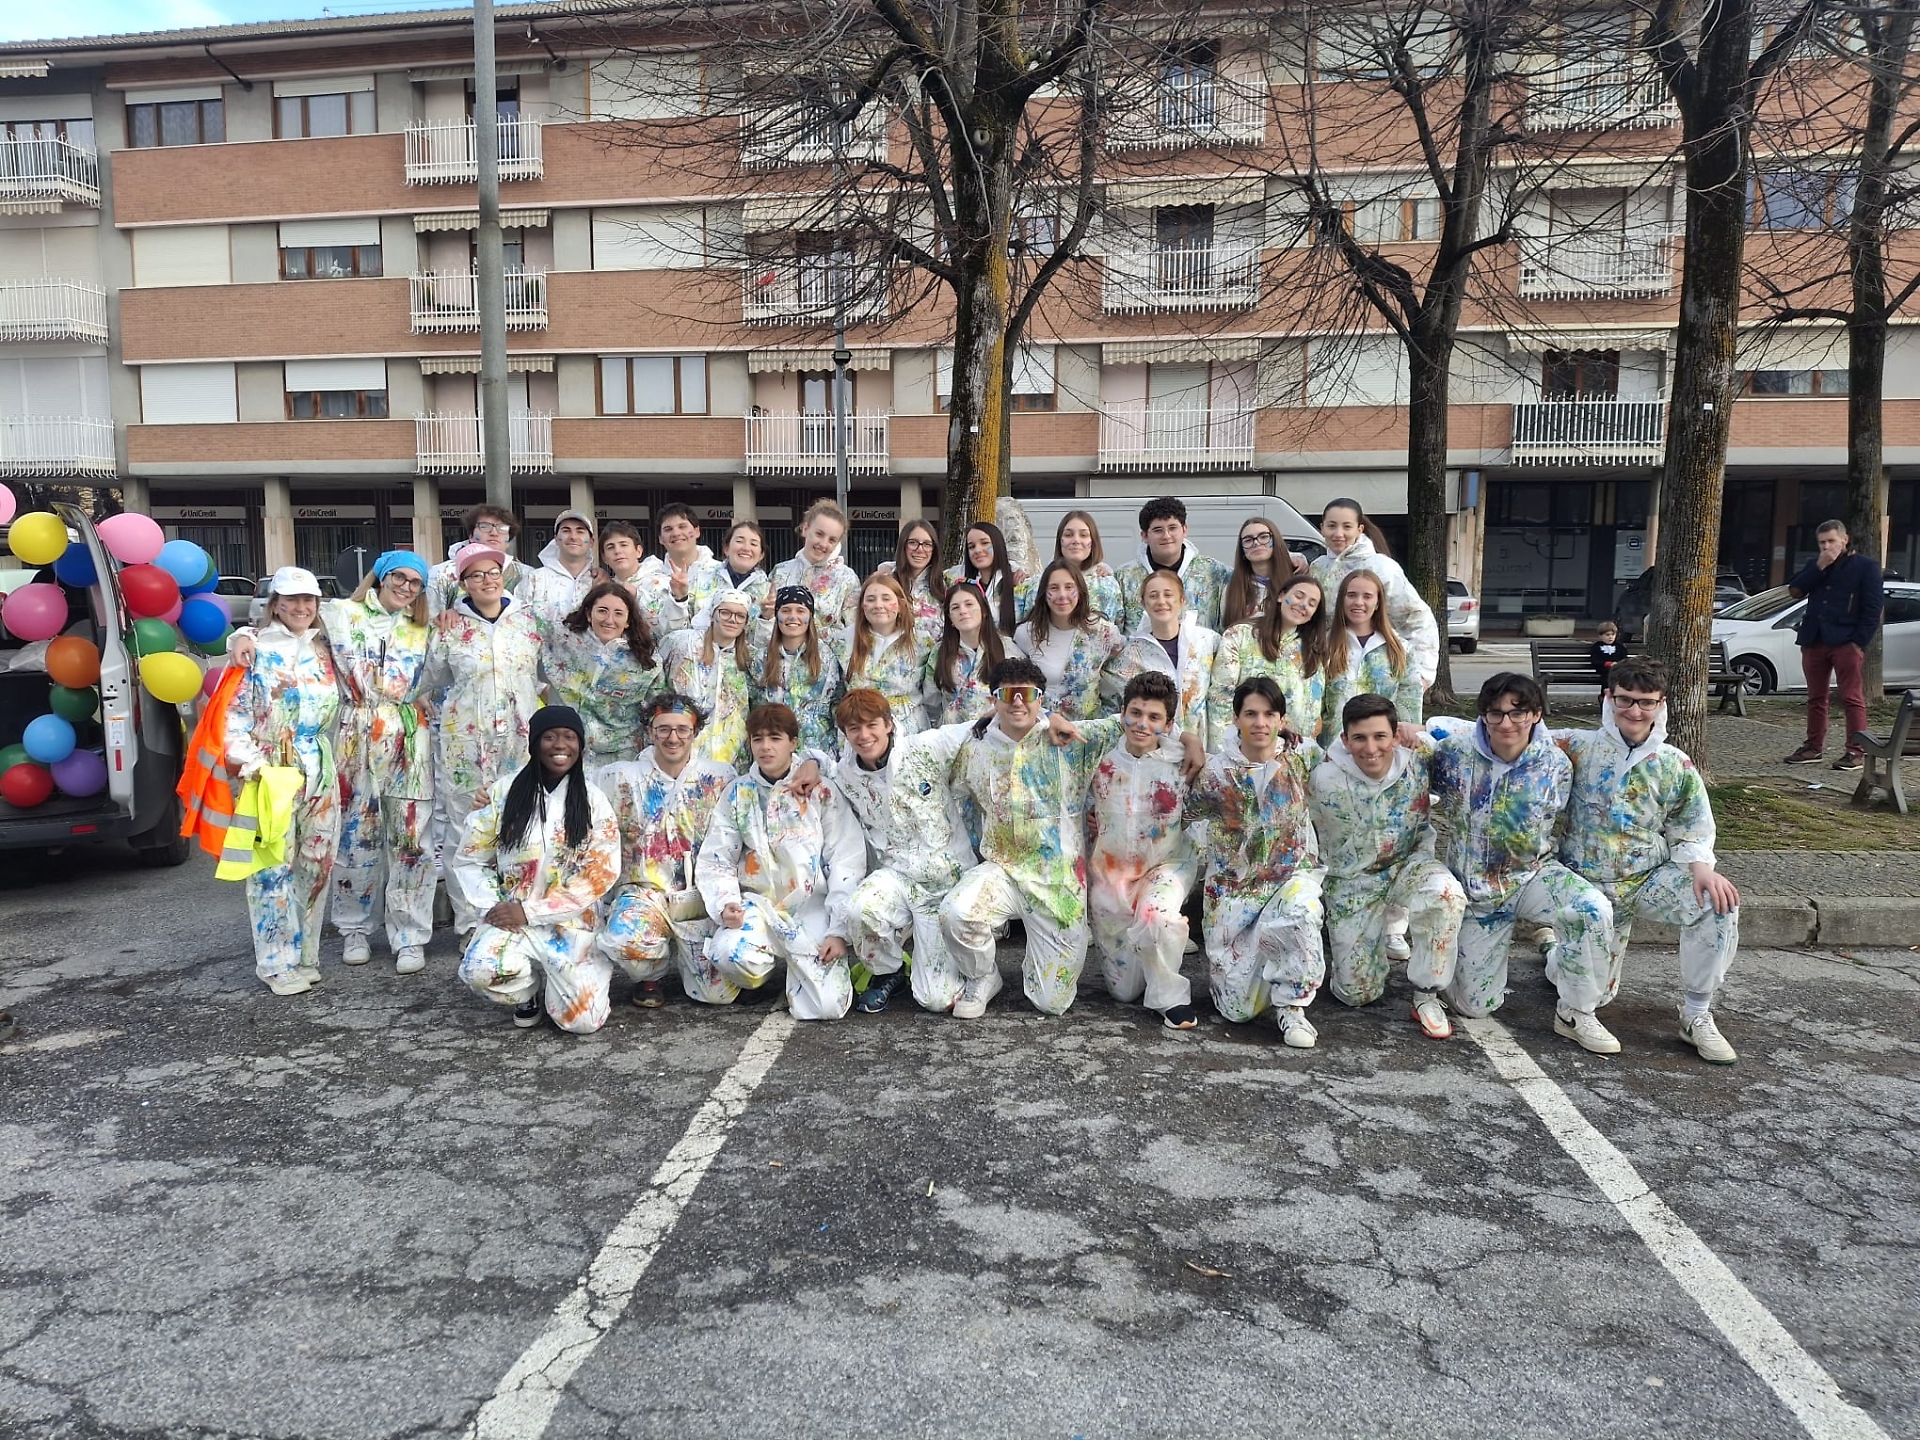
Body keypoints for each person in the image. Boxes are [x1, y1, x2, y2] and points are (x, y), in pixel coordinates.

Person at [940, 658, 1201, 1018]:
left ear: (1041, 698)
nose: (1018, 701)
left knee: (1055, 1001)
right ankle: (982, 977)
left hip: (1066, 883)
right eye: (1008, 694)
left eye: (1028, 694)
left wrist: (1191, 739)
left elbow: (1147, 724)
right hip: (1014, 870)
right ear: (994, 698)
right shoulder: (978, 747)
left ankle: (1166, 986)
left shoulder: (1079, 740)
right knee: (956, 912)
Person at [1553, 658, 1741, 1063]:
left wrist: (1702, 869)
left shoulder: (1674, 763)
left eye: (1646, 702)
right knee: (1599, 992)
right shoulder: (1577, 746)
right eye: (1625, 700)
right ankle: (1568, 995)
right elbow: (1510, 732)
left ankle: (1696, 1014)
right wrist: (1420, 730)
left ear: (1661, 704)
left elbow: (1693, 825)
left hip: (1645, 879)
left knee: (1716, 902)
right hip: (1585, 883)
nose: (1635, 711)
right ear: (1609, 698)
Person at [1425, 673, 1619, 1053]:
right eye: (1495, 714)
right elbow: (1427, 742)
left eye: (1518, 713)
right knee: (1473, 1006)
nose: (1506, 723)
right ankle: (1530, 952)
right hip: (1478, 893)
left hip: (1533, 876)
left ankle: (1576, 1011)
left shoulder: (1556, 765)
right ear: (1483, 716)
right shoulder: (1454, 755)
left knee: (1592, 908)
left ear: (1536, 714)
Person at [452, 705, 622, 1033]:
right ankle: (526, 989)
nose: (560, 745)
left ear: (580, 745)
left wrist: (532, 912)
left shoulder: (594, 801)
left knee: (582, 1022)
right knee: (481, 969)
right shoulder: (504, 792)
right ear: (534, 743)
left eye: (569, 737)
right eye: (550, 737)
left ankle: (575, 979)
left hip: (571, 922)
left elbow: (600, 873)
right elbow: (470, 859)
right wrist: (497, 907)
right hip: (513, 917)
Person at [693, 703, 867, 1017]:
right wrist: (725, 902)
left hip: (813, 909)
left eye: (775, 738)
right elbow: (717, 857)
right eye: (757, 739)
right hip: (760, 907)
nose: (766, 747)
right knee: (727, 952)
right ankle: (759, 976)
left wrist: (838, 930)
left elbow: (846, 859)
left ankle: (806, 970)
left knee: (826, 1007)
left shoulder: (820, 792)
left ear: (793, 742)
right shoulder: (738, 793)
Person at [1307, 694, 1465, 1038]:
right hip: (1353, 880)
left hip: (1409, 864)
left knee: (1446, 895)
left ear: (1395, 735)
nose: (1371, 748)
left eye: (1380, 736)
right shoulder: (1321, 776)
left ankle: (1427, 994)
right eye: (1359, 738)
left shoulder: (1420, 760)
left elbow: (1475, 736)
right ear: (1344, 739)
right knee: (1355, 994)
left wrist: (1423, 728)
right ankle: (1363, 954)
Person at [1184, 676, 1326, 1048]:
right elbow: (1181, 817)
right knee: (1236, 1011)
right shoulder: (1216, 773)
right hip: (1233, 893)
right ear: (1236, 719)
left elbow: (1350, 760)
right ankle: (1264, 959)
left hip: (1289, 878)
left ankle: (1292, 1006)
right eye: (1251, 714)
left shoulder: (1303, 757)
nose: (1260, 723)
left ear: (1281, 719)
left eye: (1269, 714)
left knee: (1303, 911)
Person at [224, 566, 341, 996]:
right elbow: (232, 715)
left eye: (308, 599)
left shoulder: (325, 648)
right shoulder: (254, 650)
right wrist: (253, 765)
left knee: (316, 864)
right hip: (271, 768)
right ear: (275, 604)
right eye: (291, 600)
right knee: (271, 868)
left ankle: (305, 954)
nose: (300, 607)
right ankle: (276, 962)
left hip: (319, 768)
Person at [420, 546, 546, 938]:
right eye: (476, 575)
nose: (487, 580)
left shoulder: (529, 620)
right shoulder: (449, 626)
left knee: (524, 821)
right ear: (463, 583)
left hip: (521, 741)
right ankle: (472, 922)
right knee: (467, 828)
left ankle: (519, 912)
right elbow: (427, 679)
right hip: (466, 744)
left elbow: (550, 672)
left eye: (493, 572)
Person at [826, 687, 977, 1014]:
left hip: (945, 884)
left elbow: (982, 727)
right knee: (860, 909)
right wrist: (810, 764)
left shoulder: (925, 749)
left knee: (936, 1000)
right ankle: (888, 971)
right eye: (854, 728)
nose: (864, 736)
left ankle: (959, 962)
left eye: (872, 725)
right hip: (898, 878)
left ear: (889, 724)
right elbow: (812, 766)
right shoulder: (846, 775)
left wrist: (1045, 720)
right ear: (845, 734)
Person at [323, 552, 439, 972]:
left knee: (412, 841)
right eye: (399, 577)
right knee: (356, 837)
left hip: (408, 739)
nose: (406, 587)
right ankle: (354, 929)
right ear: (381, 576)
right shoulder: (341, 614)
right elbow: (285, 628)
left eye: (415, 582)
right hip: (355, 735)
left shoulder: (423, 627)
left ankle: (409, 935)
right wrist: (240, 639)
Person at [595, 693, 740, 1008]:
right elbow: (573, 793)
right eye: (663, 729)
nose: (673, 738)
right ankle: (650, 975)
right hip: (644, 893)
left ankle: (691, 959)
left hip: (701, 896)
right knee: (625, 941)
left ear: (695, 731)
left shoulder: (721, 776)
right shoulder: (619, 777)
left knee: (717, 995)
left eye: (682, 729)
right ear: (650, 731)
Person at [1085, 672, 1201, 1029]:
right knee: (1124, 992)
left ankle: (1171, 998)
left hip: (1165, 866)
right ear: (1122, 713)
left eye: (1154, 717)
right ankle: (1146, 962)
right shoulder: (1100, 755)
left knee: (1157, 917)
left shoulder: (1183, 761)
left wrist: (1191, 738)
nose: (1142, 724)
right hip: (1111, 876)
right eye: (1135, 713)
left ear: (1168, 724)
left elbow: (1236, 762)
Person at [1784, 518, 1885, 770]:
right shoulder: (1816, 565)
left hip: (1846, 641)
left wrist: (1858, 641)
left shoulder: (1865, 567)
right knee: (1816, 697)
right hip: (1814, 639)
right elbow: (1795, 590)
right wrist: (1820, 565)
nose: (1827, 546)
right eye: (1822, 542)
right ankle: (1813, 747)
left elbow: (1873, 608)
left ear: (1844, 540)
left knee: (1851, 697)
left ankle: (1856, 751)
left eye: (1831, 541)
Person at [1310, 498, 1441, 691]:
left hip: (1377, 669)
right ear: (1322, 528)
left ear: (1359, 529)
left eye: (1347, 526)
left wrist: (1422, 674)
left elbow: (1416, 617)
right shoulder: (1317, 567)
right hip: (1331, 668)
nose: (1338, 533)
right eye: (1332, 526)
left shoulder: (1381, 567)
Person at [541, 581, 662, 775]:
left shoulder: (646, 659)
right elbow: (526, 667)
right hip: (567, 750)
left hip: (622, 756)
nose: (609, 620)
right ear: (589, 614)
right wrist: (543, 691)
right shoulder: (561, 642)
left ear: (628, 620)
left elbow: (656, 707)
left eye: (618, 613)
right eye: (602, 611)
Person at [1207, 572, 1329, 746]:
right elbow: (1220, 698)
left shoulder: (1314, 651)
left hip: (1292, 753)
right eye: (1299, 596)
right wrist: (1224, 750)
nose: (1303, 605)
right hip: (1244, 749)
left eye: (1312, 603)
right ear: (1281, 596)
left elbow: (1312, 713)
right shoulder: (1240, 635)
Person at [1106, 567, 1219, 751]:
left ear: (1182, 600)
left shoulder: (1207, 641)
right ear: (1143, 603)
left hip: (1204, 750)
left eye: (1168, 594)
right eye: (1153, 596)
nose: (1161, 601)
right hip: (1156, 754)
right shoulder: (1131, 654)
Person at [1013, 558, 1125, 720]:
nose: (1062, 595)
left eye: (1069, 587)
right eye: (1054, 588)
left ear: (1080, 590)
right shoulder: (1026, 634)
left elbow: (1120, 672)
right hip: (1042, 726)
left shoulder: (1103, 632)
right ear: (1044, 593)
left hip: (1087, 729)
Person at [1320, 569, 1423, 744]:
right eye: (1351, 595)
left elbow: (1409, 701)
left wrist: (1405, 741)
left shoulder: (1400, 649)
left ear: (1377, 603)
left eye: (1367, 596)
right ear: (1342, 600)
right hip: (1334, 747)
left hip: (1380, 748)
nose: (1358, 602)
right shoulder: (1324, 646)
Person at [657, 589, 755, 768]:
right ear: (712, 613)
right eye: (725, 612)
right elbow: (656, 672)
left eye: (740, 616)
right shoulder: (684, 643)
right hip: (682, 749)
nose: (732, 619)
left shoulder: (749, 658)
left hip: (732, 757)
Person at [1115, 497, 1233, 633]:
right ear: (1145, 536)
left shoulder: (1215, 572)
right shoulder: (1124, 577)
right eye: (1158, 530)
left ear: (1184, 530)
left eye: (1172, 528)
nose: (1166, 536)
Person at [752, 584, 844, 754]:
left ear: (810, 616)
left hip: (819, 751)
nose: (793, 617)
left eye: (800, 611)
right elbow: (755, 708)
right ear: (777, 615)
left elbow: (837, 707)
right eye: (786, 610)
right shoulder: (760, 659)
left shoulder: (829, 657)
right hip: (774, 752)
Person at [835, 572, 922, 739]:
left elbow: (933, 695)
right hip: (860, 733)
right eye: (870, 599)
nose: (878, 605)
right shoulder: (843, 641)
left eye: (886, 598)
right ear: (862, 606)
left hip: (907, 733)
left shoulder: (922, 642)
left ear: (900, 604)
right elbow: (836, 692)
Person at [922, 580, 1013, 725]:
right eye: (955, 607)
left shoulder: (1007, 648)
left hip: (995, 730)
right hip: (952, 733)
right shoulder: (939, 653)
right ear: (950, 618)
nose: (963, 611)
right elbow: (931, 702)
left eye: (969, 604)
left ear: (984, 611)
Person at [1016, 511, 1124, 626]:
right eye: (1068, 535)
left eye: (1083, 535)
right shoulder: (1035, 585)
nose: (1076, 541)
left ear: (1093, 541)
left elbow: (1118, 627)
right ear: (1059, 541)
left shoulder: (1108, 586)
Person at [770, 498, 861, 634]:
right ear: (805, 529)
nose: (823, 544)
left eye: (832, 540)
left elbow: (855, 629)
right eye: (819, 534)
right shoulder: (780, 571)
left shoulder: (847, 579)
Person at [428, 505, 526, 614]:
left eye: (502, 528)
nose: (494, 533)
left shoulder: (527, 575)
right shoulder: (440, 574)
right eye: (484, 526)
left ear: (509, 540)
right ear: (471, 535)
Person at [875, 518, 947, 646]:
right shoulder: (886, 582)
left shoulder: (945, 584)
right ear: (903, 545)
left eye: (927, 544)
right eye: (913, 543)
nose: (920, 549)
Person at [943, 520, 1022, 636]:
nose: (977, 550)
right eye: (971, 546)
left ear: (997, 544)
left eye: (984, 543)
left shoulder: (1020, 584)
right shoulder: (954, 578)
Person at [521, 508, 599, 621]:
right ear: (556, 539)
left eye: (580, 531)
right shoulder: (535, 579)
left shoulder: (599, 581)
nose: (573, 537)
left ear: (591, 542)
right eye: (566, 531)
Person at [1220, 516, 1295, 630]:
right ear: (1242, 550)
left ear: (1275, 540)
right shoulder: (1232, 590)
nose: (1256, 543)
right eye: (1248, 540)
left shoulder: (1296, 583)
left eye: (1264, 537)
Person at [598, 520, 646, 595]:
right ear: (604, 557)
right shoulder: (605, 588)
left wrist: (637, 595)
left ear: (638, 551)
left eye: (623, 545)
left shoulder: (661, 581)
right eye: (610, 547)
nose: (617, 551)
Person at [1589, 619, 1625, 698]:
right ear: (1601, 636)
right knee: (1608, 675)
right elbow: (1595, 660)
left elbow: (1624, 658)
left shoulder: (1619, 647)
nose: (1610, 637)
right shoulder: (1597, 647)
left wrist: (1618, 664)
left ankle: (1618, 695)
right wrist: (1607, 664)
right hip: (1603, 668)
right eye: (1607, 635)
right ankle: (1605, 696)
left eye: (1613, 634)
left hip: (1618, 669)